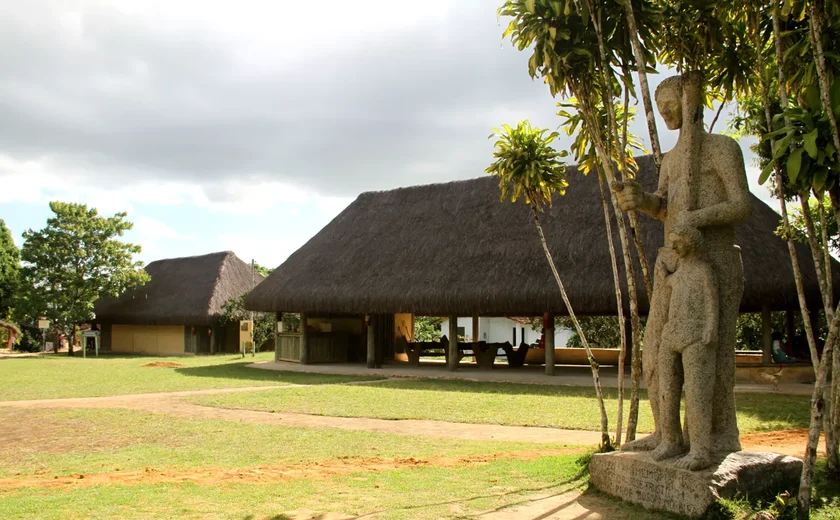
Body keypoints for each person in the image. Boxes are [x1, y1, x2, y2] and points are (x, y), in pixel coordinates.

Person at [612, 72, 752, 457]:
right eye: (660, 109)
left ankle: (713, 438)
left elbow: (742, 205)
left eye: (670, 103)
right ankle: (666, 433)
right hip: (673, 265)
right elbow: (665, 206)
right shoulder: (673, 160)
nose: (665, 112)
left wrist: (696, 218)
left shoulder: (722, 149)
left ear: (689, 102)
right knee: (656, 353)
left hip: (715, 261)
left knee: (710, 359)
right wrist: (644, 201)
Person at [652, 226, 718, 470]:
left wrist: (710, 328)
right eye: (672, 242)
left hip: (695, 333)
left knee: (696, 391)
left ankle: (700, 450)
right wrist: (663, 275)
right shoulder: (679, 273)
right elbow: (670, 282)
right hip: (672, 332)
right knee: (666, 390)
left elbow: (712, 300)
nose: (674, 247)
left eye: (678, 241)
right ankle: (671, 440)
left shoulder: (703, 271)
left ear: (691, 242)